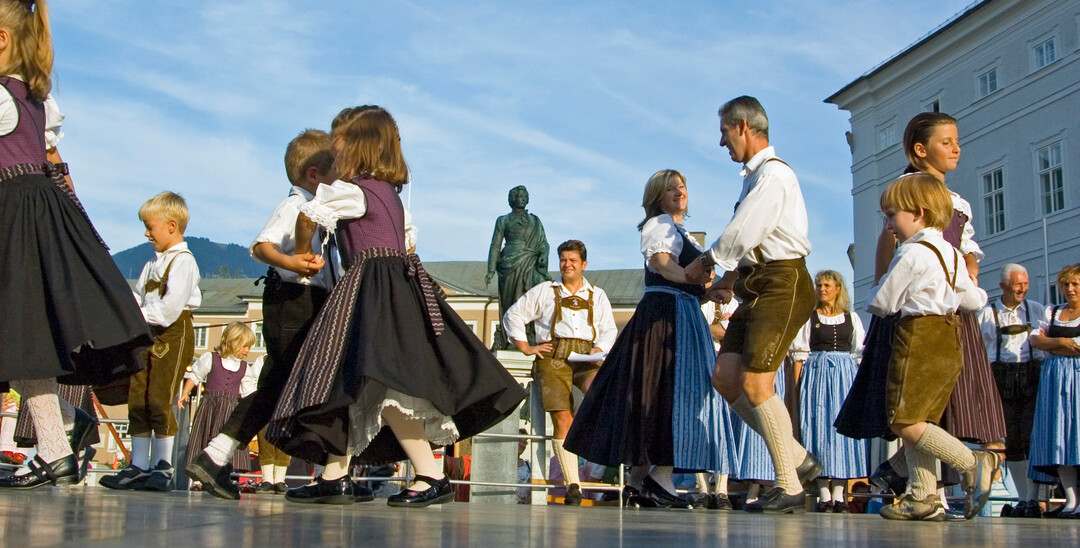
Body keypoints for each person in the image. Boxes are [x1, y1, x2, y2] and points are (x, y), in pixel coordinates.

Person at [267, 106, 526, 507]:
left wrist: (304, 250)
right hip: (394, 284)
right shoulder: (388, 193)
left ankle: (430, 474)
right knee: (353, 380)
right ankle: (337, 474)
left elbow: (308, 215)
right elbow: (406, 245)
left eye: (339, 141)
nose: (332, 146)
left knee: (382, 380)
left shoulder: (351, 189)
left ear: (356, 146)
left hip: (369, 287)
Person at [0, 0, 150, 489]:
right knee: (19, 336)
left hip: (14, 210)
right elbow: (55, 162)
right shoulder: (35, 99)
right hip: (37, 209)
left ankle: (57, 438)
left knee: (18, 334)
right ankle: (60, 430)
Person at [838, 113, 1006, 502]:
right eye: (946, 141)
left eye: (956, 140)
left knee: (929, 408)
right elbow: (888, 246)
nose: (956, 147)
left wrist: (970, 276)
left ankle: (924, 489)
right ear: (920, 149)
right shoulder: (906, 193)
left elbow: (967, 253)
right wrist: (884, 289)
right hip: (909, 309)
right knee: (912, 407)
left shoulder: (956, 202)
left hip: (949, 313)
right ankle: (923, 490)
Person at [186, 128, 344, 501]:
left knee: (277, 384)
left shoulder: (317, 209)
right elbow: (260, 246)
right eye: (335, 170)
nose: (341, 178)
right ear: (314, 175)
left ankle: (216, 455)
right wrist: (290, 261)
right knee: (286, 384)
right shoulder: (294, 206)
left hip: (307, 300)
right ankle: (330, 473)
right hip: (293, 299)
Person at [565, 169, 733, 509]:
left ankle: (640, 479)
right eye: (670, 188)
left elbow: (683, 278)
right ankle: (661, 475)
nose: (678, 191)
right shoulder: (659, 225)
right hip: (666, 316)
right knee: (672, 390)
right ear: (657, 196)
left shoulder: (680, 231)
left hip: (679, 312)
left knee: (659, 390)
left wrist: (708, 290)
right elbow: (662, 264)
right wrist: (690, 277)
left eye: (682, 186)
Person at [683, 96, 819, 514]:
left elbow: (745, 228)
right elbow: (752, 239)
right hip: (757, 283)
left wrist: (705, 262)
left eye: (724, 131)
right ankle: (797, 458)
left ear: (743, 126)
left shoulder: (774, 176)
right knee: (726, 378)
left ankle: (788, 481)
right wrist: (727, 279)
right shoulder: (754, 178)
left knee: (758, 384)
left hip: (784, 281)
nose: (721, 141)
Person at [867, 173, 996, 521]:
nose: (889, 224)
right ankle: (923, 495)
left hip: (918, 338)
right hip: (949, 339)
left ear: (918, 213)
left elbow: (883, 302)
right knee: (921, 418)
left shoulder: (910, 254)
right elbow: (973, 299)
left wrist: (874, 292)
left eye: (893, 215)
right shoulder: (951, 254)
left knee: (903, 421)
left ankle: (973, 463)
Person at [100, 191, 201, 492]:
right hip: (149, 332)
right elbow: (142, 297)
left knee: (159, 397)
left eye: (150, 226)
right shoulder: (151, 265)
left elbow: (168, 310)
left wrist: (138, 313)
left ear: (171, 226)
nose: (146, 233)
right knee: (138, 397)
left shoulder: (183, 262)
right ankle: (138, 466)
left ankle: (164, 465)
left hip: (172, 332)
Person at [503, 239, 617, 505]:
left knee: (603, 391)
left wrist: (599, 347)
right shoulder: (545, 291)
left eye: (573, 260)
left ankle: (588, 442)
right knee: (563, 417)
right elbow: (514, 315)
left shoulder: (596, 294)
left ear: (584, 264)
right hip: (553, 356)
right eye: (564, 260)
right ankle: (573, 483)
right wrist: (525, 346)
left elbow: (609, 329)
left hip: (587, 356)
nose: (567, 265)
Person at [791, 270, 868, 513]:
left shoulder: (851, 318)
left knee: (843, 433)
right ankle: (824, 493)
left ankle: (839, 493)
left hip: (844, 377)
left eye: (827, 285)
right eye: (818, 285)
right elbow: (799, 357)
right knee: (819, 429)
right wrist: (796, 389)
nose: (822, 289)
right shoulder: (809, 318)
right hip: (817, 376)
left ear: (837, 288)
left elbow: (858, 355)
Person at [978, 263, 1045, 518]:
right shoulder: (987, 315)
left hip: (1030, 375)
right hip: (1001, 377)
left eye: (1025, 284)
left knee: (1031, 438)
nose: (1023, 289)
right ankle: (1022, 497)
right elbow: (979, 352)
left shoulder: (1036, 310)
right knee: (1012, 440)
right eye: (1018, 284)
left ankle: (1033, 498)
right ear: (1003, 286)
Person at [177, 322, 261, 488]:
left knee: (227, 442)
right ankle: (197, 480)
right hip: (210, 408)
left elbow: (247, 391)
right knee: (203, 438)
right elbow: (195, 375)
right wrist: (185, 393)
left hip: (231, 410)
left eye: (249, 347)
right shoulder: (211, 358)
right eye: (244, 346)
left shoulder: (244, 367)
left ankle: (223, 476)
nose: (247, 351)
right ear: (231, 341)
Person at [1029, 264, 1080, 518]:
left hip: (1077, 379)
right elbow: (1036, 339)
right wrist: (1059, 342)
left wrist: (1053, 344)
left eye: (1075, 284)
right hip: (1055, 379)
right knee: (1058, 436)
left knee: (1077, 436)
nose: (1070, 289)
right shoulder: (1053, 313)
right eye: (1066, 284)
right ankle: (1071, 499)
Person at [486, 185, 549, 349]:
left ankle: (529, 334)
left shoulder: (535, 221)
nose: (522, 197)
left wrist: (543, 255)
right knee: (511, 301)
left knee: (535, 292)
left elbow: (543, 242)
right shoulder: (503, 220)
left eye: (524, 195)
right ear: (512, 199)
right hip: (509, 262)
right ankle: (512, 338)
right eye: (518, 195)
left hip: (531, 262)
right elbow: (495, 245)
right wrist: (491, 269)